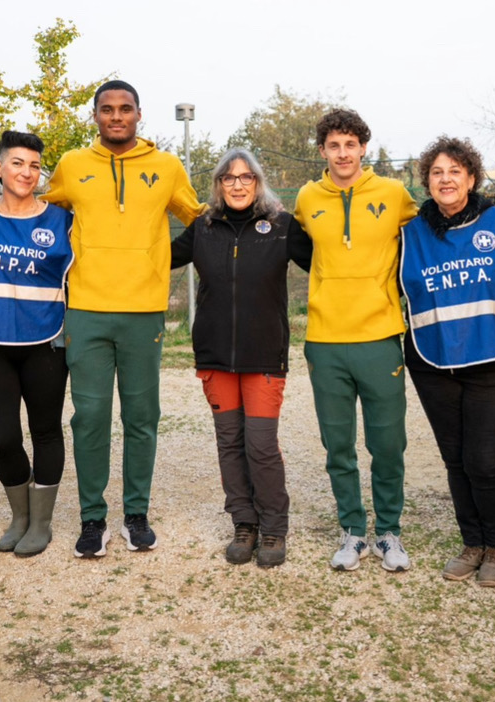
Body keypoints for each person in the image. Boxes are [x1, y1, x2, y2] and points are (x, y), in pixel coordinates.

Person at [41, 80, 205, 558]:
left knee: (141, 417)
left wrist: (161, 261)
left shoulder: (166, 166)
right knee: (89, 417)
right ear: (95, 116)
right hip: (86, 312)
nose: (116, 116)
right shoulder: (72, 166)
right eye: (107, 109)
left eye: (125, 109)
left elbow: (198, 219)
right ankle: (93, 519)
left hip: (142, 313)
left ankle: (136, 515)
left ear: (139, 115)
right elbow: (42, 218)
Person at [398, 135, 495, 587]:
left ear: (471, 178)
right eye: (437, 173)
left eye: (455, 172)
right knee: (454, 458)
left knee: (483, 459)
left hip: (489, 358)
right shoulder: (408, 233)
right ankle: (471, 543)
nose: (446, 180)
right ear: (427, 181)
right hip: (431, 360)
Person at [170, 148, 311, 568]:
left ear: (257, 182)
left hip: (264, 355)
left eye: (245, 177)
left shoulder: (283, 226)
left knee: (261, 444)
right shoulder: (202, 227)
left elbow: (331, 265)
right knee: (229, 442)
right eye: (228, 178)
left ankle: (273, 529)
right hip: (215, 356)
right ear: (217, 185)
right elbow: (153, 258)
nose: (236, 184)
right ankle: (244, 523)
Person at [291, 109, 419, 571]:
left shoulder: (394, 193)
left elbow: (432, 228)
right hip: (325, 339)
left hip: (381, 336)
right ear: (322, 150)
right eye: (333, 146)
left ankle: (389, 533)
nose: (342, 153)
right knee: (338, 444)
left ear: (363, 147)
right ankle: (352, 531)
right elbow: (299, 245)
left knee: (388, 444)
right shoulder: (307, 197)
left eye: (350, 145)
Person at [0, 131, 74, 557]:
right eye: (17, 163)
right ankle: (19, 515)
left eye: (33, 165)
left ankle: (40, 522)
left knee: (45, 430)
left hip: (45, 340)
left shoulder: (62, 220)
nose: (26, 172)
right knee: (3, 438)